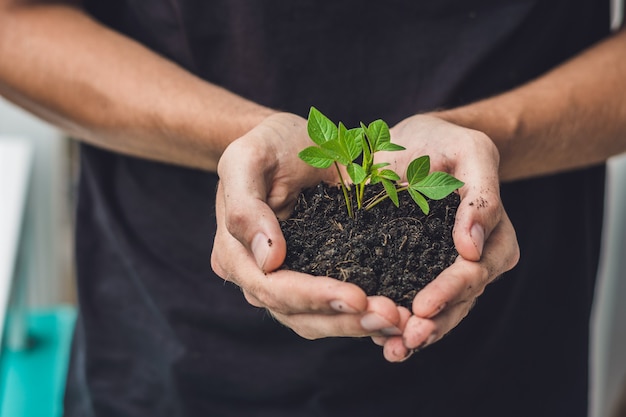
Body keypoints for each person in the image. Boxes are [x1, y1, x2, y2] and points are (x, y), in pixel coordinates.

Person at [0, 1, 624, 416]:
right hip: (171, 349)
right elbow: (17, 21)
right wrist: (238, 136)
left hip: (506, 350)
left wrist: (490, 136)